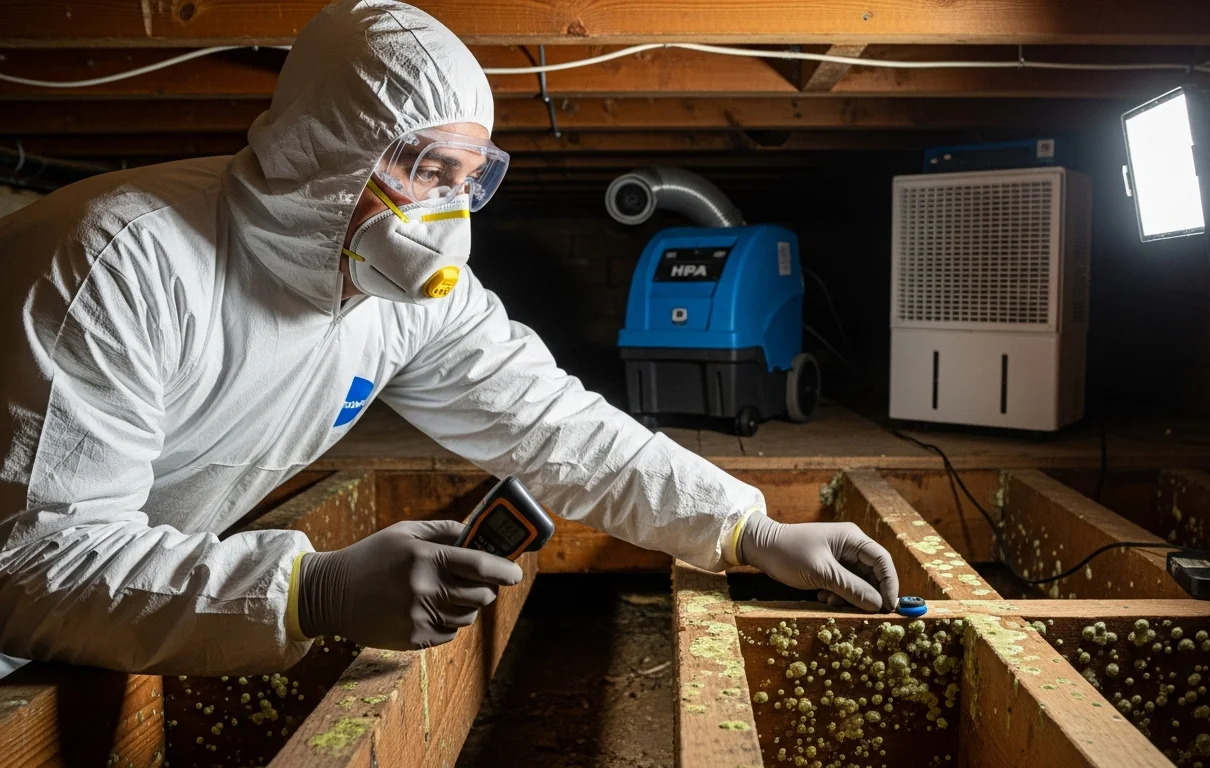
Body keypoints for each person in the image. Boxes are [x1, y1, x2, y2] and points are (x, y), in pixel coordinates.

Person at [0, 0, 897, 679]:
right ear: (327, 151)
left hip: (117, 615)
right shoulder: (118, 264)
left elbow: (557, 429)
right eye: (425, 169)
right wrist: (310, 590)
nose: (445, 212)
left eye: (468, 179)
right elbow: (33, 558)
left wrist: (749, 528)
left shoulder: (407, 297)